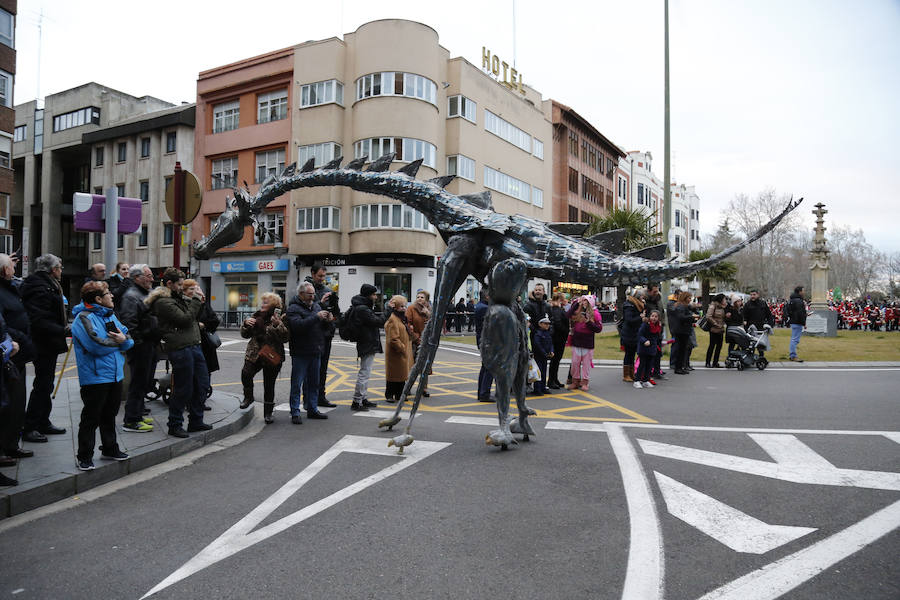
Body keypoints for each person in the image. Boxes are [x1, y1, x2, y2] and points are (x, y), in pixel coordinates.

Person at [71, 281, 134, 470]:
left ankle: (110, 448)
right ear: (98, 299)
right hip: (95, 377)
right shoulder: (83, 318)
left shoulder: (109, 315)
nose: (112, 296)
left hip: (114, 375)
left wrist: (123, 341)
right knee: (91, 417)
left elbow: (128, 337)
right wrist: (121, 343)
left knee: (110, 414)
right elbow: (96, 345)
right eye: (108, 293)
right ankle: (84, 455)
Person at [145, 268, 212, 438]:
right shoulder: (163, 302)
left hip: (194, 345)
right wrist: (196, 300)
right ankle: (175, 424)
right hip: (180, 348)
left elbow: (194, 316)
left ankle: (196, 421)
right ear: (169, 284)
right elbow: (184, 319)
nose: (182, 287)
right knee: (183, 389)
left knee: (202, 385)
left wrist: (199, 301)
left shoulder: (177, 297)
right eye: (180, 284)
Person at [21, 254, 70, 443]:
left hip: (49, 341)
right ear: (52, 269)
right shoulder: (39, 286)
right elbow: (38, 318)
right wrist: (62, 330)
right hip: (42, 342)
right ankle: (30, 426)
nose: (61, 270)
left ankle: (43, 421)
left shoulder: (47, 283)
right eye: (59, 267)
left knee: (46, 383)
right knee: (42, 384)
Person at [0, 254, 35, 461]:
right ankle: (3, 448)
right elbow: (5, 326)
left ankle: (12, 444)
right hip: (8, 355)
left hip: (18, 356)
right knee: (7, 405)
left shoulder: (13, 288)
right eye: (12, 267)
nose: (15, 269)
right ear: (5, 271)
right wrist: (20, 340)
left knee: (17, 404)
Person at [286, 281, 332, 423]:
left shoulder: (316, 306)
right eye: (309, 294)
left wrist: (328, 320)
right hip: (301, 352)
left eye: (313, 294)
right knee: (297, 384)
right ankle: (295, 412)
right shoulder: (293, 308)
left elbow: (322, 328)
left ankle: (312, 409)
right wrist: (317, 317)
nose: (312, 296)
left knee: (314, 383)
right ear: (301, 294)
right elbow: (298, 326)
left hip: (315, 350)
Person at [118, 264, 157, 432]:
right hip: (140, 347)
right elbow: (129, 323)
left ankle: (138, 413)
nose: (152, 279)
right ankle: (131, 419)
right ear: (137, 278)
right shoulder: (132, 296)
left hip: (148, 344)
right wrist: (139, 343)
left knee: (143, 382)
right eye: (148, 276)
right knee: (137, 382)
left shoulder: (143, 293)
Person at [240, 292, 289, 424]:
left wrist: (277, 325)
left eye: (266, 302)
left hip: (272, 355)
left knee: (269, 384)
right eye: (262, 302)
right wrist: (245, 324)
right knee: (246, 373)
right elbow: (245, 335)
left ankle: (268, 413)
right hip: (254, 353)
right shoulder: (257, 316)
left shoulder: (281, 317)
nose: (262, 304)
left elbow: (285, 338)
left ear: (273, 305)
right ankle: (248, 397)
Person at [304, 264, 339, 410]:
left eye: (324, 276)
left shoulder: (327, 290)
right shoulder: (304, 289)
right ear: (312, 274)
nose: (322, 279)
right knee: (310, 369)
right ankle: (307, 398)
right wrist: (321, 302)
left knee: (323, 367)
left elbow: (336, 312)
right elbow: (304, 310)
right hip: (312, 336)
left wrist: (333, 315)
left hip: (326, 334)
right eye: (320, 276)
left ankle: (321, 396)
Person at [349, 283, 386, 412]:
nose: (376, 297)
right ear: (368, 295)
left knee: (366, 371)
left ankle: (363, 398)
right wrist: (389, 310)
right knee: (364, 372)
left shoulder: (363, 307)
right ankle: (357, 401)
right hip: (367, 342)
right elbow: (378, 322)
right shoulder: (362, 309)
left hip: (367, 341)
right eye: (374, 294)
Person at [184, 279, 221, 406]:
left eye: (197, 288)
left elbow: (215, 320)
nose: (195, 291)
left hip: (206, 343)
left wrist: (204, 325)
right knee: (192, 374)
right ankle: (191, 401)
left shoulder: (204, 304)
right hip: (192, 343)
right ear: (184, 291)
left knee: (206, 373)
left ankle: (201, 400)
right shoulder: (184, 303)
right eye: (191, 289)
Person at [565, 295, 603, 391]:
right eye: (583, 301)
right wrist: (577, 302)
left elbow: (598, 329)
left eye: (586, 301)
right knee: (575, 363)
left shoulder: (595, 314)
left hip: (588, 342)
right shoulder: (578, 311)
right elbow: (568, 315)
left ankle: (585, 382)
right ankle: (575, 381)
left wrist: (588, 322)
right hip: (577, 341)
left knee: (586, 364)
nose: (584, 303)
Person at [384, 295, 413, 403]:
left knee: (401, 375)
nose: (404, 308)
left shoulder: (401, 318)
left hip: (401, 352)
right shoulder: (393, 319)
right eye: (401, 306)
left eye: (405, 306)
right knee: (394, 376)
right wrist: (402, 348)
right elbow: (393, 339)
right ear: (395, 307)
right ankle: (390, 395)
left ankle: (399, 394)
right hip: (395, 353)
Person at [405, 291, 432, 397]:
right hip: (414, 342)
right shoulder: (411, 308)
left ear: (426, 299)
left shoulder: (429, 309)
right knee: (412, 366)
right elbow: (407, 323)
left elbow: (434, 324)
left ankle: (423, 388)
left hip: (426, 342)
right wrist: (416, 337)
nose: (420, 299)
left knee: (425, 366)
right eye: (418, 297)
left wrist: (428, 314)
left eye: (422, 297)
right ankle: (407, 388)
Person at [619, 290, 645, 383]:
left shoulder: (638, 304)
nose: (643, 298)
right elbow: (629, 319)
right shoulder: (629, 305)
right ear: (637, 296)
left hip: (635, 333)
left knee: (632, 353)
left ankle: (631, 373)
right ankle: (626, 374)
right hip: (629, 333)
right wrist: (640, 317)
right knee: (628, 354)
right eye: (642, 296)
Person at [473, 291, 494, 402]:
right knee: (489, 368)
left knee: (485, 367)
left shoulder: (481, 306)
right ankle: (484, 393)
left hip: (484, 340)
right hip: (487, 341)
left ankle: (482, 392)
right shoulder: (485, 308)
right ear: (487, 296)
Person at [635, 310, 663, 389]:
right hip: (644, 348)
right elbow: (640, 335)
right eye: (652, 316)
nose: (654, 318)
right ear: (649, 317)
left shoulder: (658, 326)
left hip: (652, 349)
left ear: (658, 318)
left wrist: (658, 345)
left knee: (649, 366)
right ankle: (637, 380)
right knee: (642, 365)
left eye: (656, 316)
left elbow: (657, 337)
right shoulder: (645, 325)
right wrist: (644, 341)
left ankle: (646, 380)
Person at [547, 292, 569, 389]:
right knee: (555, 360)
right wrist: (566, 330)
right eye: (564, 298)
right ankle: (551, 380)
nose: (566, 300)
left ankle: (554, 379)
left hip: (558, 338)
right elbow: (557, 323)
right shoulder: (557, 310)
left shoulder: (557, 309)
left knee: (556, 360)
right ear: (560, 299)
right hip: (558, 338)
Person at [670, 291, 695, 374]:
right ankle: (678, 368)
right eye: (689, 298)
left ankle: (680, 367)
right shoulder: (681, 306)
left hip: (683, 330)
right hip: (681, 331)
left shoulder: (683, 306)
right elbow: (681, 317)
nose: (690, 299)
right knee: (681, 349)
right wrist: (691, 317)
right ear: (685, 298)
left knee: (683, 349)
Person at [532, 316, 554, 396]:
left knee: (544, 372)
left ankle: (543, 387)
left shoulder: (548, 333)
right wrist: (544, 353)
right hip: (539, 356)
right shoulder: (538, 334)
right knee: (539, 373)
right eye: (545, 324)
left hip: (545, 356)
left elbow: (551, 343)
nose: (547, 325)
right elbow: (538, 345)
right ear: (540, 324)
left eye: (548, 324)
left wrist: (551, 351)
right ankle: (537, 389)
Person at [705, 293, 727, 368]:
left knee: (719, 346)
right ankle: (707, 362)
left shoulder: (723, 307)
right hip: (713, 329)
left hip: (721, 329)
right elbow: (708, 316)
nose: (725, 301)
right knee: (712, 345)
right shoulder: (713, 306)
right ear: (720, 300)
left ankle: (715, 362)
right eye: (724, 299)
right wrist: (715, 324)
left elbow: (724, 317)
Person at [786, 286, 807, 362]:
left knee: (794, 339)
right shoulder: (799, 301)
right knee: (795, 340)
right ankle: (793, 355)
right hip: (797, 322)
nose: (804, 292)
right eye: (803, 291)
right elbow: (800, 313)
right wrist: (804, 322)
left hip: (793, 321)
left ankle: (792, 355)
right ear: (800, 292)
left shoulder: (792, 300)